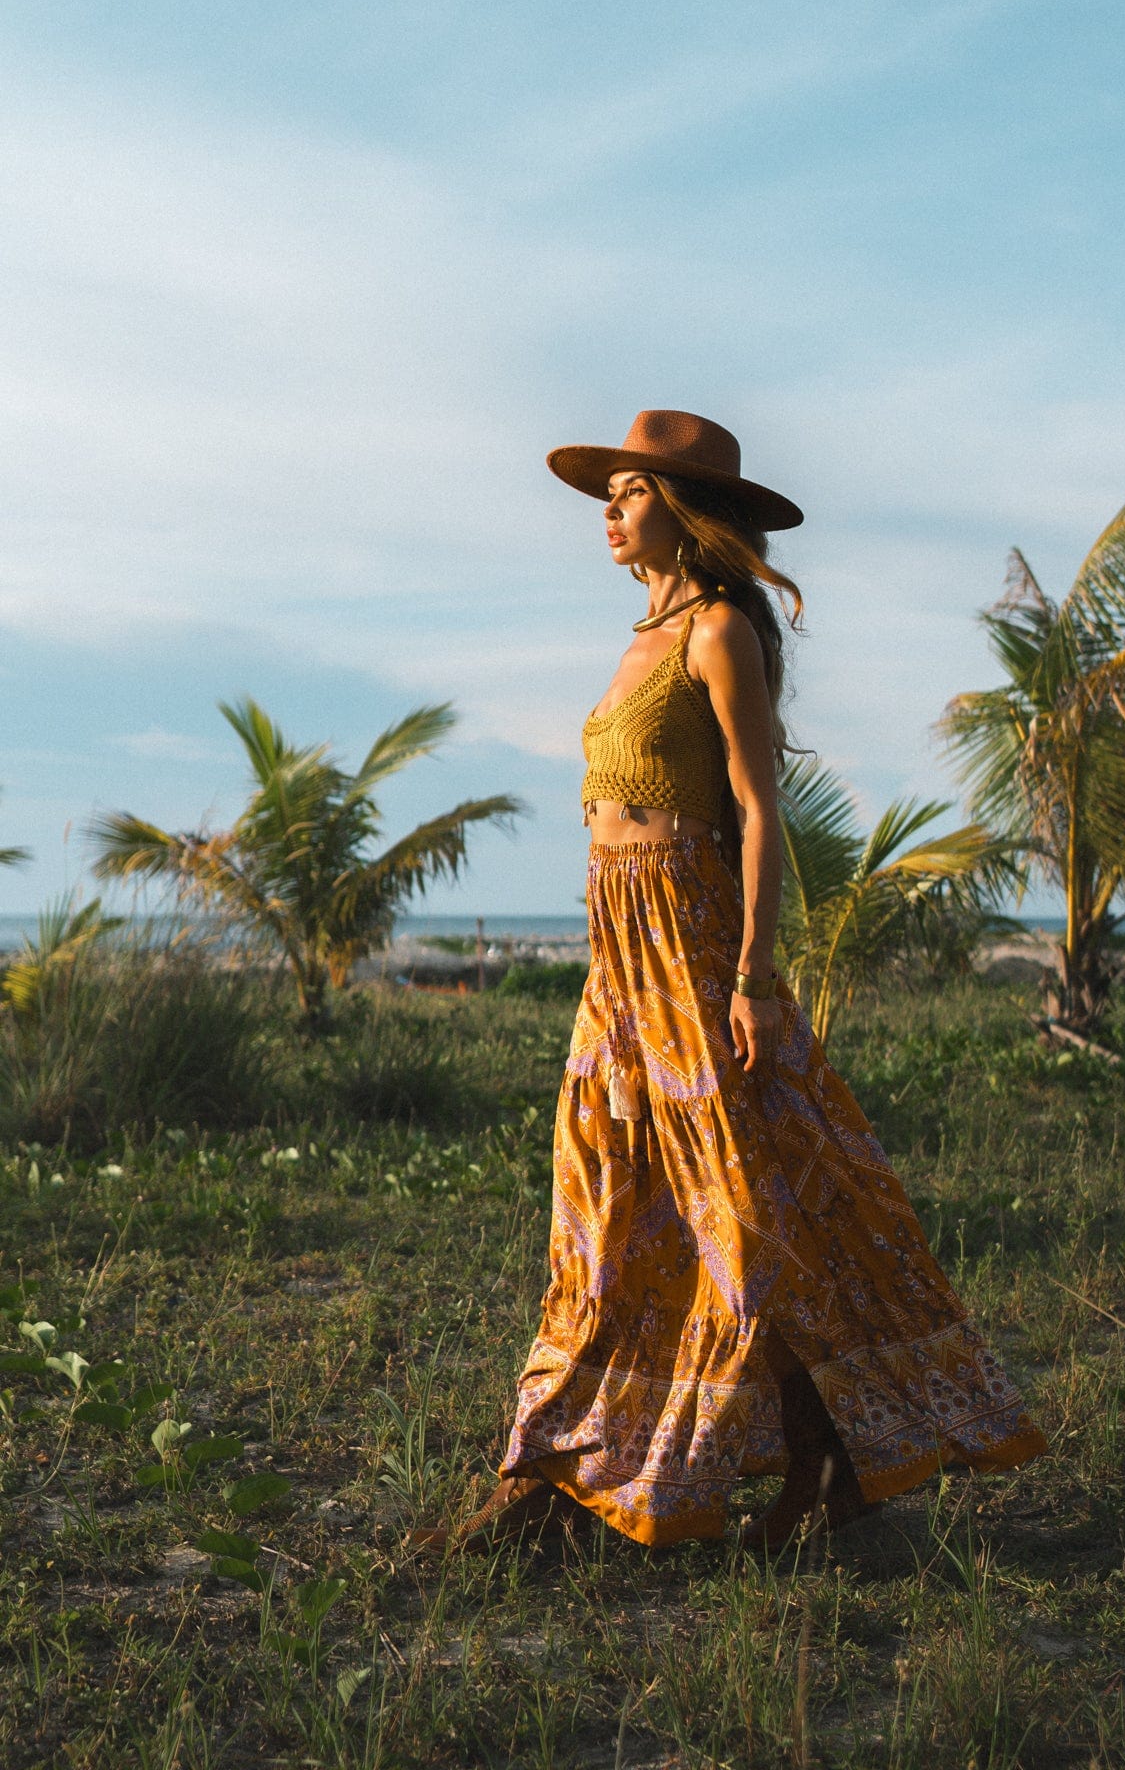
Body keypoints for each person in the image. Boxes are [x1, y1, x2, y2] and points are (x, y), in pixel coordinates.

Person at [424, 410, 1045, 1556]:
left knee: (749, 1206)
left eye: (628, 491)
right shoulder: (635, 642)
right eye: (606, 494)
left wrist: (755, 976)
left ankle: (838, 1461)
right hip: (622, 952)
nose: (608, 512)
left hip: (696, 937)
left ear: (684, 508)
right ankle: (576, 1475)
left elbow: (758, 813)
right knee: (608, 1197)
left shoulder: (718, 632)